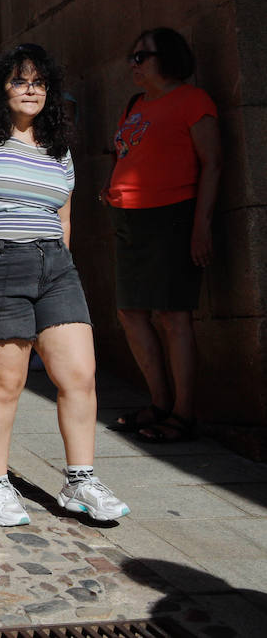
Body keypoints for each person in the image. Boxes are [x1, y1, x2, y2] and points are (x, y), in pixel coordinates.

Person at [0, 42, 130, 527]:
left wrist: (65, 265)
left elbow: (63, 218)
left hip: (54, 266)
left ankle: (80, 481)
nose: (30, 90)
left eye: (39, 82)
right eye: (20, 80)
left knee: (79, 375)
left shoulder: (58, 150)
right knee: (5, 382)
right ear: (1, 89)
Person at [105, 27, 220, 443]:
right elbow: (125, 153)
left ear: (167, 58)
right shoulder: (134, 104)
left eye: (143, 57)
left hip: (172, 216)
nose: (134, 64)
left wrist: (201, 225)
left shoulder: (193, 101)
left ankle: (183, 413)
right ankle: (159, 401)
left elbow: (212, 163)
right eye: (132, 57)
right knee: (130, 312)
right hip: (128, 220)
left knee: (174, 316)